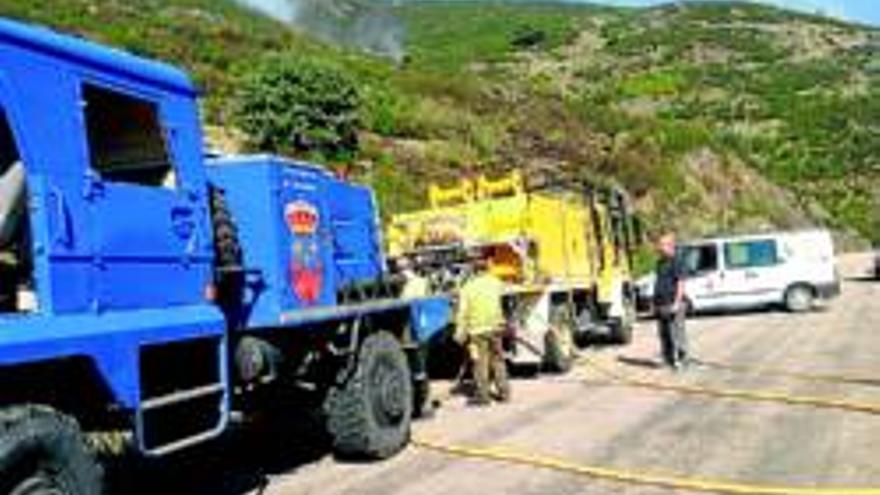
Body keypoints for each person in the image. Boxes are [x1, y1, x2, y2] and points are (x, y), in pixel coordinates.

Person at [454, 257, 510, 406]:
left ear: (474, 271)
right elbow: (504, 294)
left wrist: (459, 333)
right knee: (498, 361)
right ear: (487, 269)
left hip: (477, 332)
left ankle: (483, 397)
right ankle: (504, 393)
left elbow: (462, 313)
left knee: (480, 363)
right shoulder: (494, 282)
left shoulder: (467, 288)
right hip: (495, 328)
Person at [653, 232, 689, 371]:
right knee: (664, 333)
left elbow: (681, 282)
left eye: (662, 244)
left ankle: (682, 358)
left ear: (671, 246)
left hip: (674, 303)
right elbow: (659, 282)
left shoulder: (677, 261)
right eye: (659, 244)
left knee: (677, 332)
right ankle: (668, 359)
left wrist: (677, 303)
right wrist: (654, 303)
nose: (660, 247)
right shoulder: (660, 262)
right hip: (661, 303)